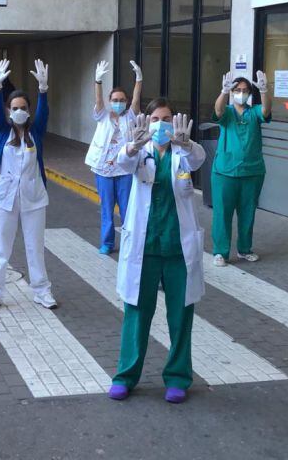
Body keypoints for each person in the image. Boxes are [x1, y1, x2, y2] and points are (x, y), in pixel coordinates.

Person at [108, 101, 205, 404]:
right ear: (146, 122)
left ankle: (177, 377)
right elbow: (121, 164)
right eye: (155, 119)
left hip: (177, 247)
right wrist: (132, 147)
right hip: (145, 247)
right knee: (136, 313)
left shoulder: (183, 152)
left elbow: (198, 158)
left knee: (181, 315)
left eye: (166, 119)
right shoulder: (140, 153)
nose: (160, 125)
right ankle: (126, 376)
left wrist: (187, 143)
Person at [0, 58, 56, 312]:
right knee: (1, 249)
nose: (19, 111)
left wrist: (44, 90)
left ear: (29, 109)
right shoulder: (3, 132)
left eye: (23, 107)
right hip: (4, 198)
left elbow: (44, 112)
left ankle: (42, 291)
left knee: (35, 247)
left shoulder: (35, 133)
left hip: (33, 198)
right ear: (9, 111)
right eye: (14, 107)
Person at [211, 54, 272, 266]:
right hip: (224, 172)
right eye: (238, 90)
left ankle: (245, 249)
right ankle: (220, 251)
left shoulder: (254, 111)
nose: (242, 94)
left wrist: (264, 91)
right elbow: (217, 110)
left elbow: (266, 110)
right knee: (223, 213)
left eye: (245, 91)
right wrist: (223, 91)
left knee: (248, 213)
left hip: (252, 172)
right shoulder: (227, 112)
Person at [85, 59, 143, 255]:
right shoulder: (103, 115)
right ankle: (107, 243)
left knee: (127, 209)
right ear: (110, 102)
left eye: (121, 100)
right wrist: (98, 81)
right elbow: (98, 101)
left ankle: (129, 241)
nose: (118, 103)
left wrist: (139, 79)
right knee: (107, 210)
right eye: (115, 100)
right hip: (104, 170)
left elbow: (136, 100)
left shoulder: (130, 116)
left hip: (125, 170)